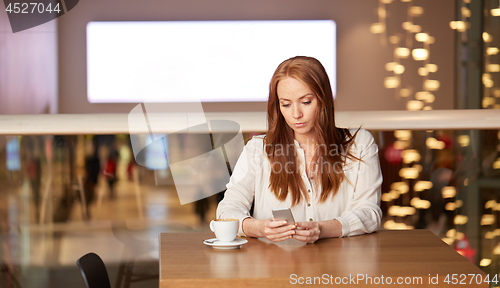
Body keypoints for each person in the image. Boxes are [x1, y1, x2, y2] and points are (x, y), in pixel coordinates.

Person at [216, 56, 382, 243]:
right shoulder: (257, 149)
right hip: (274, 266)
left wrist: (322, 229)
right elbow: (227, 211)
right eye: (286, 104)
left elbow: (370, 212)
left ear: (323, 99)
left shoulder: (359, 143)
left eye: (306, 102)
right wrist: (260, 228)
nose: (296, 114)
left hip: (337, 266)